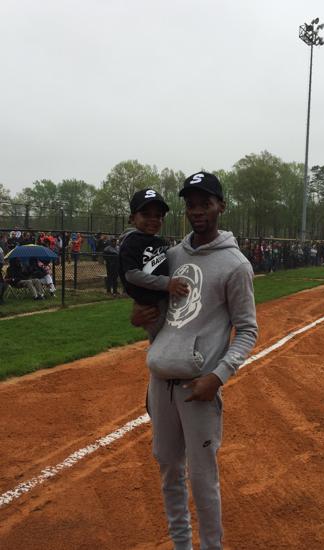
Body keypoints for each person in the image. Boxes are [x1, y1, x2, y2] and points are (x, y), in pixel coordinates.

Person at [132, 172, 258, 550]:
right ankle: (181, 545)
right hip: (161, 382)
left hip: (197, 387)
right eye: (191, 204)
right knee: (169, 471)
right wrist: (142, 321)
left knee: (203, 480)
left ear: (221, 206)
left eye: (206, 203)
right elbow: (163, 319)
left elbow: (247, 330)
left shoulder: (235, 265)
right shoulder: (172, 256)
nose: (198, 210)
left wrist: (218, 376)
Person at [119, 188, 188, 338]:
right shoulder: (131, 242)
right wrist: (167, 284)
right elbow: (131, 275)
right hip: (151, 304)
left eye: (158, 216)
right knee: (163, 339)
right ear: (132, 218)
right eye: (146, 214)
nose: (153, 219)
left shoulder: (160, 241)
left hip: (166, 297)